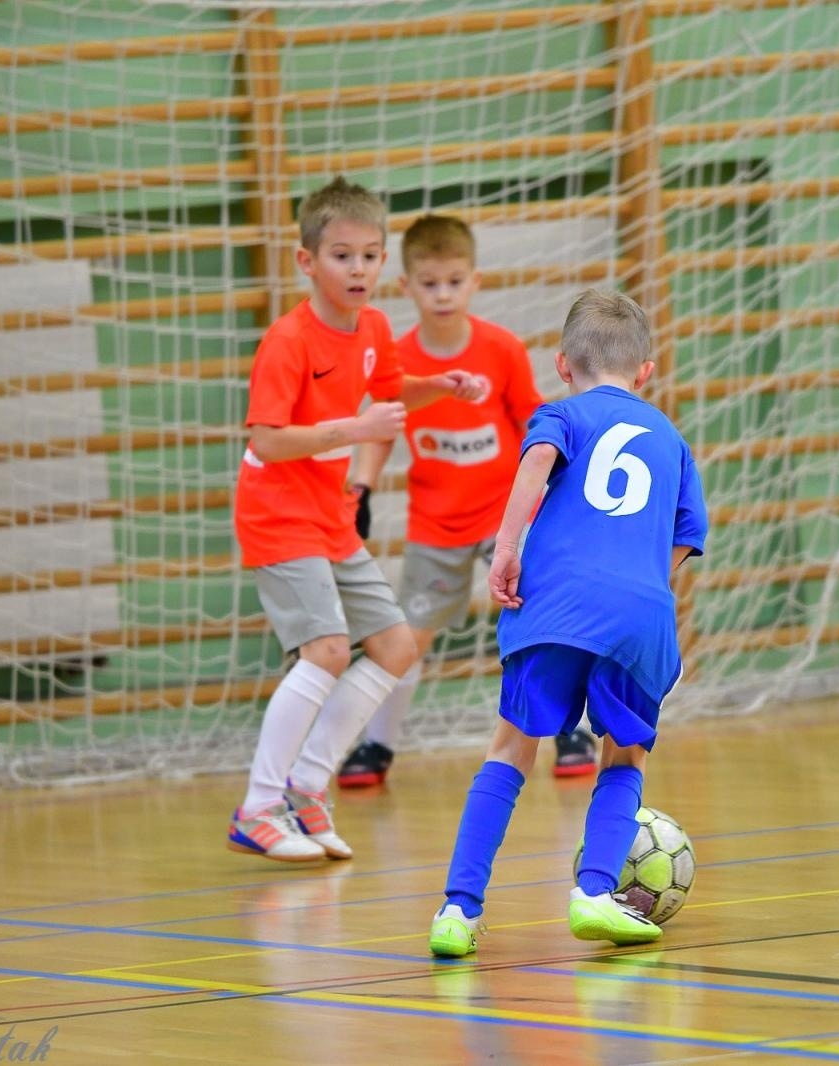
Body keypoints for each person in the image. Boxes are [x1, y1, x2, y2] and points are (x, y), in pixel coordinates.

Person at [426, 289, 708, 958]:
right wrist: (635, 594)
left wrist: (506, 548)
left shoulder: (561, 414)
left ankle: (457, 911)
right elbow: (686, 536)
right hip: (642, 611)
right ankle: (594, 894)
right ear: (646, 371)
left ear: (562, 364)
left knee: (509, 749)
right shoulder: (671, 439)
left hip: (554, 604)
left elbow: (535, 465)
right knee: (624, 756)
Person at [227, 177, 483, 862]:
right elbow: (266, 440)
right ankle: (258, 807)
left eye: (370, 256)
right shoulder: (288, 341)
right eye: (343, 256)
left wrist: (442, 386)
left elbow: (392, 395)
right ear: (307, 262)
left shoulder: (372, 328)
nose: (359, 269)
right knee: (328, 650)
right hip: (277, 514)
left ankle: (308, 790)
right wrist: (354, 426)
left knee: (396, 648)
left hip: (328, 514)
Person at [335, 214, 598, 790]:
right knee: (408, 637)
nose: (444, 294)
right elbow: (381, 430)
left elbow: (535, 427)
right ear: (405, 287)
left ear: (475, 281)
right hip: (436, 526)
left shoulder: (500, 349)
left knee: (547, 620)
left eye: (455, 281)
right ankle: (377, 745)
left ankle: (571, 732)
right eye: (430, 283)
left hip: (508, 517)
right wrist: (362, 487)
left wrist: (558, 492)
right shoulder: (398, 361)